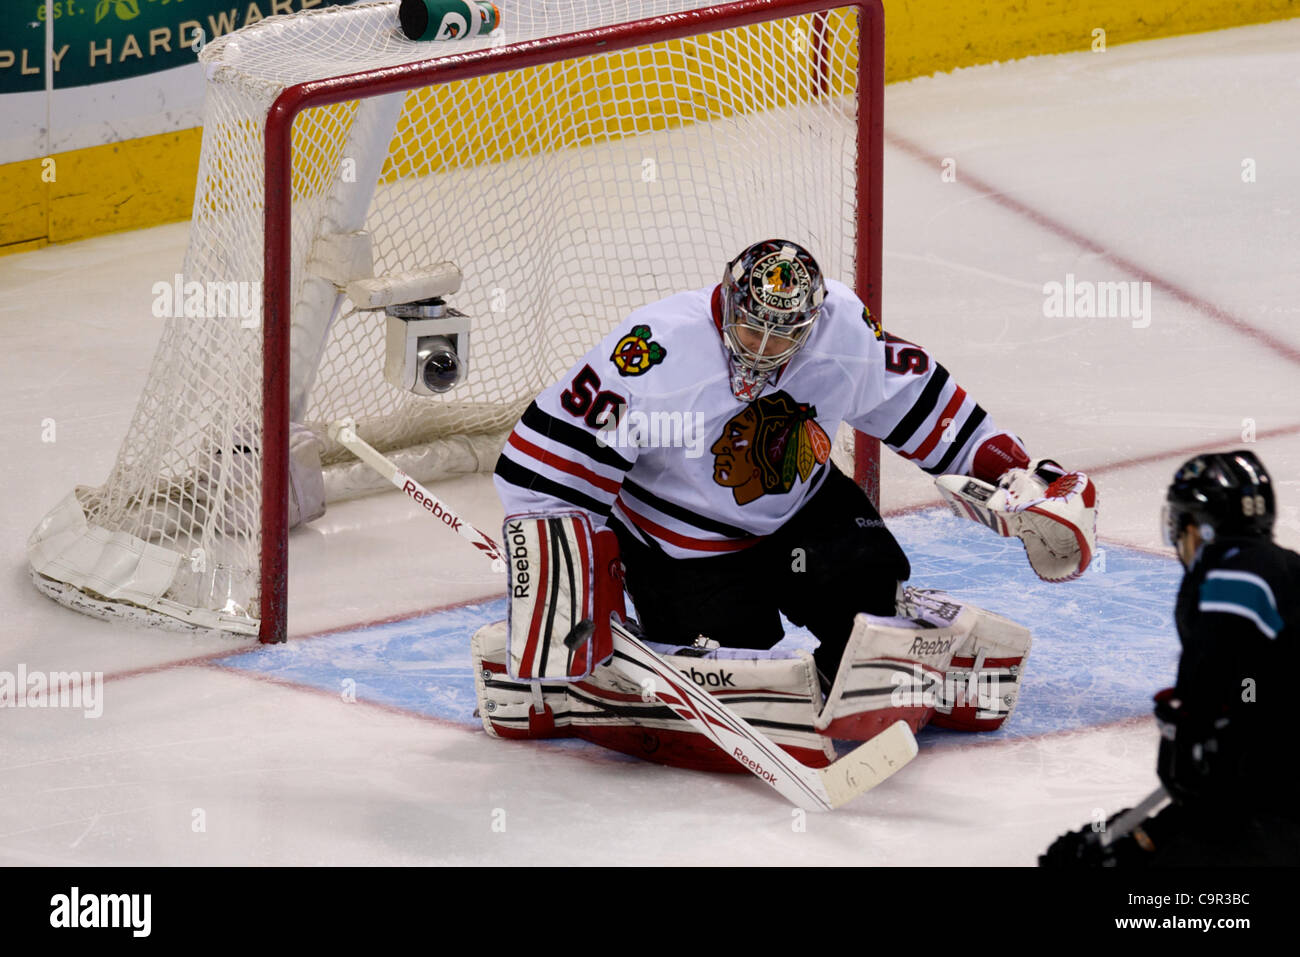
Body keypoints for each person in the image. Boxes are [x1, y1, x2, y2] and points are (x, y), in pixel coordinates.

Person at [481, 239, 1095, 759]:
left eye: (785, 335)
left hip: (801, 509)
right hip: (682, 541)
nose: (764, 348)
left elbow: (918, 399)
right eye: (752, 327)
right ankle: (571, 682)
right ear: (727, 302)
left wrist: (1013, 471)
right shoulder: (653, 354)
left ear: (813, 322)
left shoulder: (843, 334)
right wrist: (565, 571)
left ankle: (868, 664)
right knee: (728, 650)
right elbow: (544, 466)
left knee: (865, 589)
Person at [1040, 450, 1300, 866]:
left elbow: (1214, 760)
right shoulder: (1280, 570)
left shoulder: (1235, 576)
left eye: (1182, 524)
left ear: (1200, 528)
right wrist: (1138, 834)